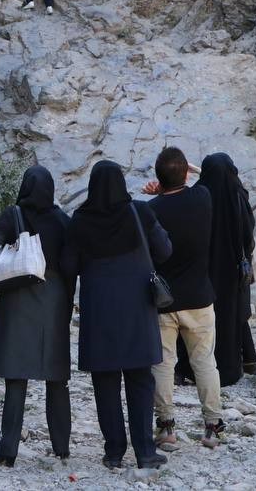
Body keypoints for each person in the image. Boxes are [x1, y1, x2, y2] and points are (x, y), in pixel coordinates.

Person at [62, 160, 172, 471]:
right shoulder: (140, 212)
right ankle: (145, 452)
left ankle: (113, 451)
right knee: (141, 380)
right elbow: (164, 251)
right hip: (137, 308)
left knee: (105, 383)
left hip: (100, 311)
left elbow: (68, 267)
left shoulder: (80, 221)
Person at [0, 165, 73, 468]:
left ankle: (8, 450)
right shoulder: (63, 220)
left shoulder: (12, 215)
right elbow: (72, 266)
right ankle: (61, 447)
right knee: (56, 377)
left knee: (16, 377)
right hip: (54, 300)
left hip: (18, 298)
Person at [145, 148, 224, 451]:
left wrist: (159, 192)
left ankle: (166, 427)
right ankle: (213, 427)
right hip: (200, 297)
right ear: (186, 173)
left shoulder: (152, 209)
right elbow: (214, 177)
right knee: (204, 361)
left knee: (163, 363)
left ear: (158, 177)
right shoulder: (202, 199)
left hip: (164, 299)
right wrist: (193, 169)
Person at [196, 153, 256, 387]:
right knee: (231, 316)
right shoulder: (239, 196)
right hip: (233, 270)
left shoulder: (200, 196)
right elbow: (248, 235)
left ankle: (196, 368)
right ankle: (232, 368)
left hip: (204, 268)